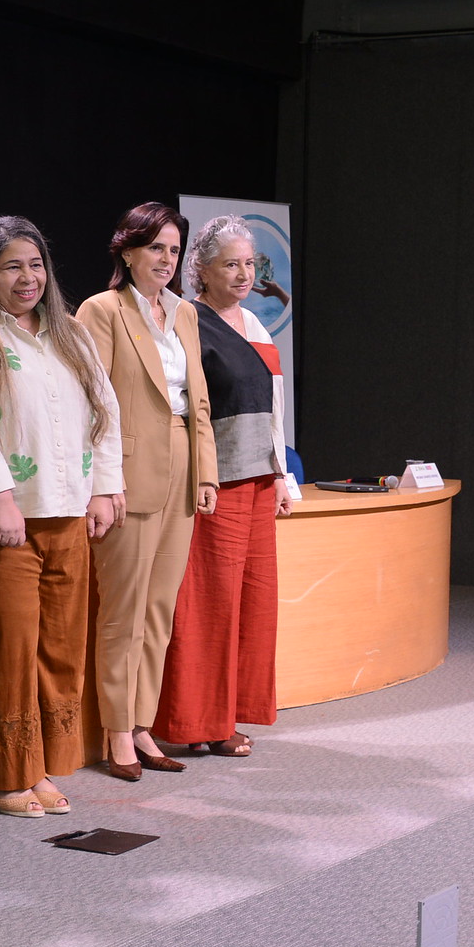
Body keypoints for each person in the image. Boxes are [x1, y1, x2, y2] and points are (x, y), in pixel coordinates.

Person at [0, 215, 122, 817]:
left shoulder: (69, 333)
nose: (28, 278)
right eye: (12, 267)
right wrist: (0, 499)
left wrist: (104, 490)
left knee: (59, 648)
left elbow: (105, 413)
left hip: (67, 512)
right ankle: (2, 774)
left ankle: (40, 765)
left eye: (36, 264)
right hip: (3, 519)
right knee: (8, 649)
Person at [76, 203, 217, 781]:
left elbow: (198, 399)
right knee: (124, 611)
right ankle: (116, 730)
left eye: (174, 250)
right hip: (127, 470)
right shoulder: (101, 310)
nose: (166, 259)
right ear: (128, 250)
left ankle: (142, 723)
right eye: (156, 247)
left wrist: (206, 472)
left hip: (182, 466)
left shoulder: (185, 312)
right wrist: (102, 483)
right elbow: (93, 402)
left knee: (159, 611)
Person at [155, 216, 297, 760]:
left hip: (259, 481)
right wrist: (199, 475)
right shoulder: (188, 320)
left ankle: (230, 714)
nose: (243, 274)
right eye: (230, 264)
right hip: (218, 483)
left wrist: (280, 474)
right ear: (202, 269)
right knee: (210, 604)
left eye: (249, 264)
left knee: (254, 603)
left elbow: (273, 408)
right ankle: (199, 721)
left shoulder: (255, 324)